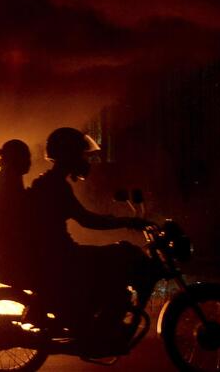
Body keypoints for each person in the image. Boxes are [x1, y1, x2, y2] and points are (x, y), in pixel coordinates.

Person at [26, 127, 152, 350]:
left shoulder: (49, 181)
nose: (85, 160)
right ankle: (101, 329)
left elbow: (83, 218)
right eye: (81, 154)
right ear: (69, 155)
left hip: (55, 252)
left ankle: (98, 321)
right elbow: (86, 220)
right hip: (60, 254)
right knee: (120, 255)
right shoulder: (55, 185)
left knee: (115, 256)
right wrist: (125, 222)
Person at [0, 139, 31, 268]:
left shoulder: (5, 176)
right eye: (26, 157)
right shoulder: (10, 178)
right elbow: (16, 211)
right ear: (17, 159)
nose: (29, 162)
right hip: (6, 244)